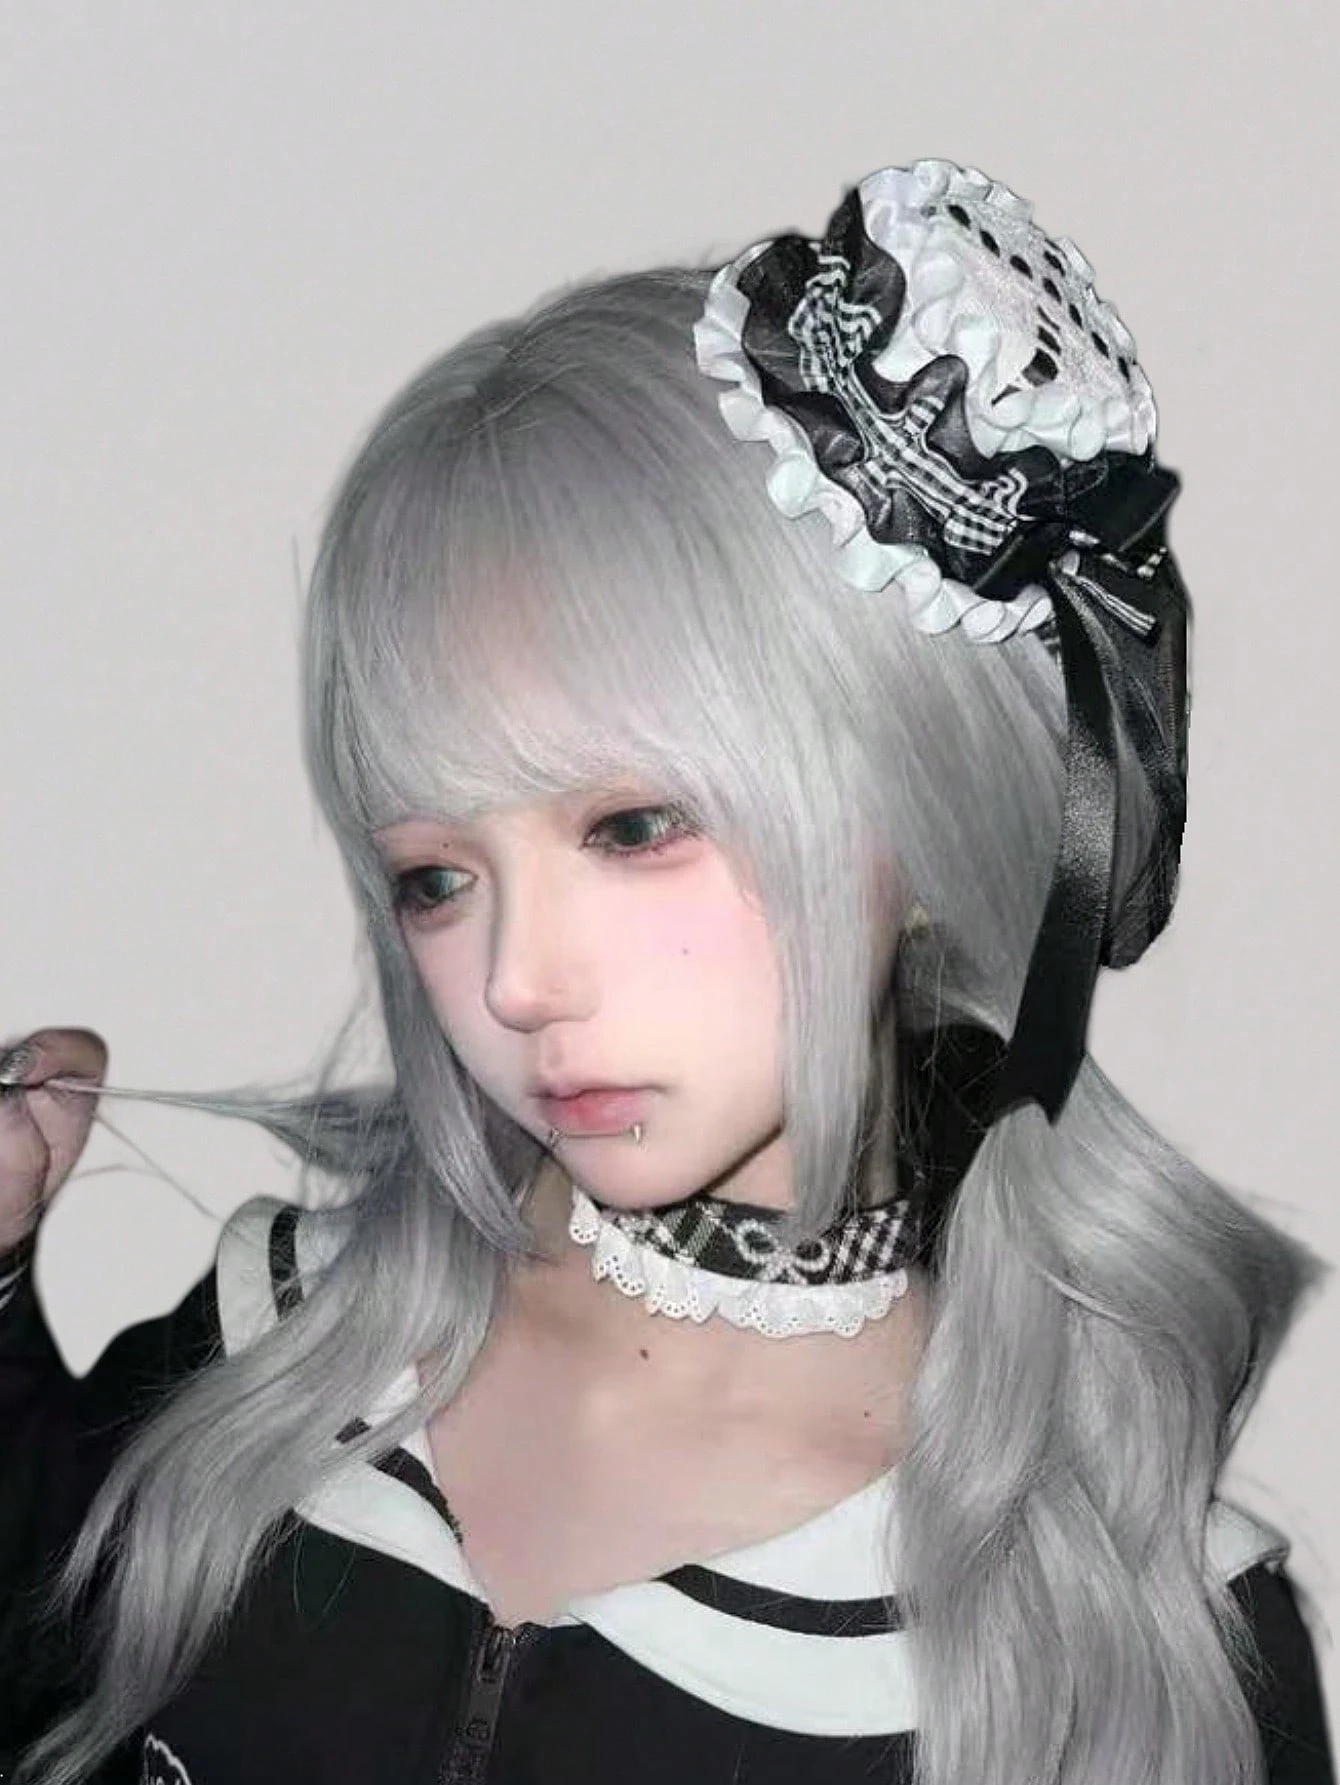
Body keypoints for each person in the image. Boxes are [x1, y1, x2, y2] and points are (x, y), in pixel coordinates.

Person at [0, 157, 1333, 1785]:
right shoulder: (259, 1367)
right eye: (436, 878)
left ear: (915, 810)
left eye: (632, 827)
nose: (517, 980)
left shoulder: (1140, 1643)